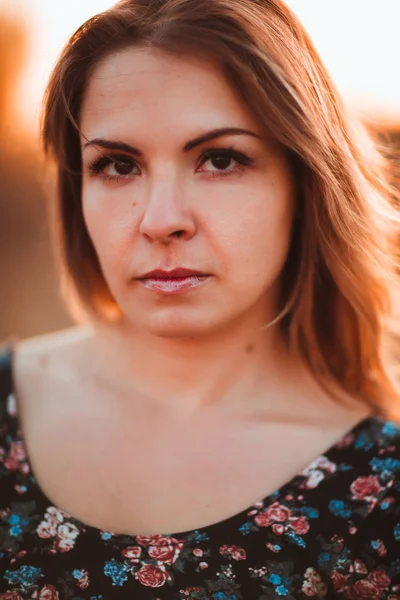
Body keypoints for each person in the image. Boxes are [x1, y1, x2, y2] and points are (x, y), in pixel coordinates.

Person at [1, 0, 400, 597]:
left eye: (220, 159)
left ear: (306, 182)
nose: (161, 221)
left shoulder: (380, 495)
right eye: (116, 164)